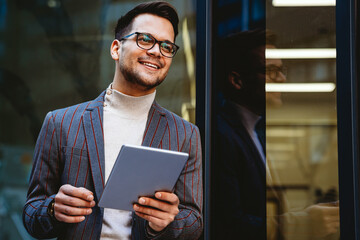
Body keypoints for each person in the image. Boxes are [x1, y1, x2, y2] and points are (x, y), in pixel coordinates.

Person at [22, 2, 203, 240]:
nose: (157, 51)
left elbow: (194, 222)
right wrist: (54, 209)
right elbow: (31, 213)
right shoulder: (60, 122)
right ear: (116, 49)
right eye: (145, 39)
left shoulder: (185, 134)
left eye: (166, 46)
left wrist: (166, 222)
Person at [211, 30, 267, 239]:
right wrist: (301, 221)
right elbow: (229, 222)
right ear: (237, 81)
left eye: (283, 70)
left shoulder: (257, 131)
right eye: (271, 70)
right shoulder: (221, 134)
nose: (281, 79)